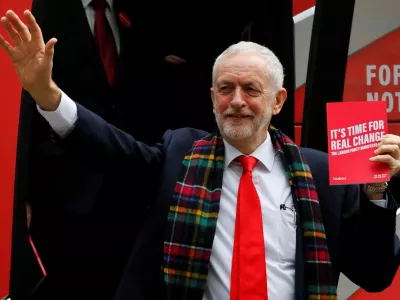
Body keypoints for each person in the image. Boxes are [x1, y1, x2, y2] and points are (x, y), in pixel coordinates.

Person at [1, 10, 400, 300]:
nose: (237, 101)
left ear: (279, 101)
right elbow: (109, 145)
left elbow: (376, 274)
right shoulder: (179, 155)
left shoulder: (322, 172)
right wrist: (47, 95)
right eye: (225, 89)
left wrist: (377, 194)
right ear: (211, 99)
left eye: (251, 89)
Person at [18, 0, 214, 298]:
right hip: (61, 198)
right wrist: (20, 195)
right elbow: (18, 107)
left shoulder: (142, 10)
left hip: (133, 191)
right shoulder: (39, 8)